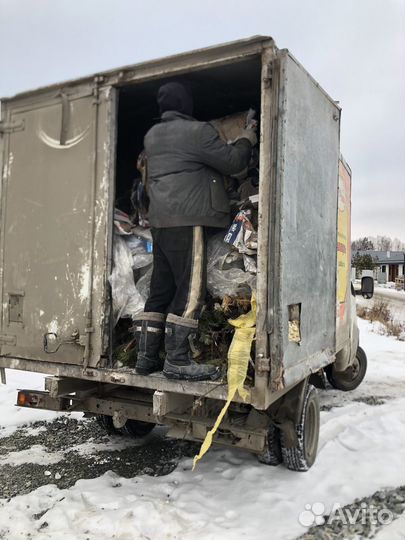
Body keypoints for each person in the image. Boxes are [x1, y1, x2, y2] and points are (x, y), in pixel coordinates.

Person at [134, 81, 257, 381]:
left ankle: (146, 357)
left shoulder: (152, 136)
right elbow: (233, 162)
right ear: (186, 105)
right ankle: (177, 360)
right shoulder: (197, 132)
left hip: (160, 223)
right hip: (188, 222)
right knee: (191, 292)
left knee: (161, 291)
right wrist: (246, 139)